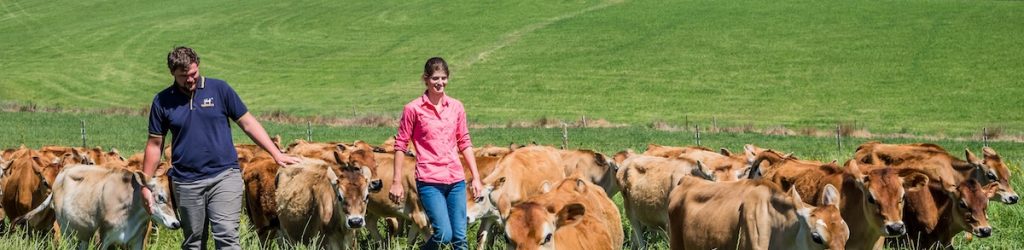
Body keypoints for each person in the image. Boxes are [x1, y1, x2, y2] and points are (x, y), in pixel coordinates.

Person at [141, 46, 300, 250]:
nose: (190, 80)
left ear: (198, 67)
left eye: (193, 74)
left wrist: (276, 154)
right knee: (194, 242)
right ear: (172, 73)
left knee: (226, 238)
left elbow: (248, 123)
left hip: (224, 176)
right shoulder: (162, 101)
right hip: (186, 182)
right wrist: (145, 184)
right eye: (184, 76)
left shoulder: (219, 90)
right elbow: (155, 145)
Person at [390, 57, 484, 250]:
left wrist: (476, 178)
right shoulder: (413, 109)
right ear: (426, 79)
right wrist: (396, 181)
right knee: (443, 234)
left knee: (460, 238)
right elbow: (400, 145)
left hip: (455, 179)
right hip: (429, 180)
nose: (440, 82)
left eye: (443, 78)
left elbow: (464, 142)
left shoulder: (456, 107)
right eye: (435, 78)